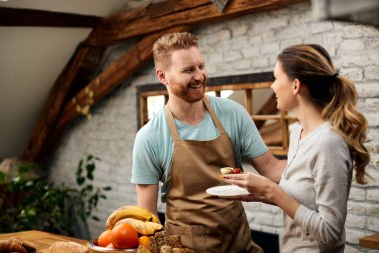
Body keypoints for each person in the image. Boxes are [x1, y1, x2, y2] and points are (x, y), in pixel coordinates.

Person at [131, 32, 286, 253]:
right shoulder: (150, 137)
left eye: (201, 66)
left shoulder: (232, 113)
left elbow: (271, 168)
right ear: (162, 76)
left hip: (239, 243)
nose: (199, 76)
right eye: (188, 70)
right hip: (187, 249)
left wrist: (313, 162)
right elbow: (147, 216)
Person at [223, 44, 371, 253]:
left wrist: (272, 191)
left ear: (295, 86)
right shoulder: (298, 133)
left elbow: (330, 233)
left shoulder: (328, 143)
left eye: (276, 78)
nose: (272, 86)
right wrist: (262, 195)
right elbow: (304, 203)